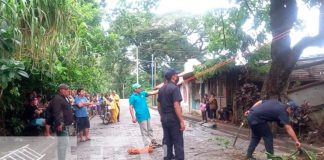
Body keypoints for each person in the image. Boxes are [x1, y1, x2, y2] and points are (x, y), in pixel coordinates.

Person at [158, 68, 185, 160]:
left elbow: (159, 105)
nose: (177, 76)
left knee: (166, 141)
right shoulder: (174, 88)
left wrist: (162, 116)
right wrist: (181, 121)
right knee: (178, 142)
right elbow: (176, 105)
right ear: (173, 76)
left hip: (164, 118)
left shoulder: (161, 89)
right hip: (173, 119)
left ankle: (166, 157)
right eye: (176, 75)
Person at [47, 84, 74, 160]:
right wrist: (59, 123)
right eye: (66, 90)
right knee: (63, 144)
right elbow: (57, 112)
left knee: (64, 144)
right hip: (62, 125)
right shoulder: (57, 99)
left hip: (65, 124)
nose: (68, 91)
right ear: (61, 90)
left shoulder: (64, 98)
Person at [129, 83, 159, 148]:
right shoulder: (132, 97)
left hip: (147, 115)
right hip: (140, 116)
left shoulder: (143, 93)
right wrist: (133, 117)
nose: (140, 88)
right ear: (135, 89)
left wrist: (161, 90)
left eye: (140, 87)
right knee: (144, 131)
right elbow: (131, 107)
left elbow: (152, 93)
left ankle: (153, 142)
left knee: (150, 129)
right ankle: (147, 145)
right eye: (139, 88)